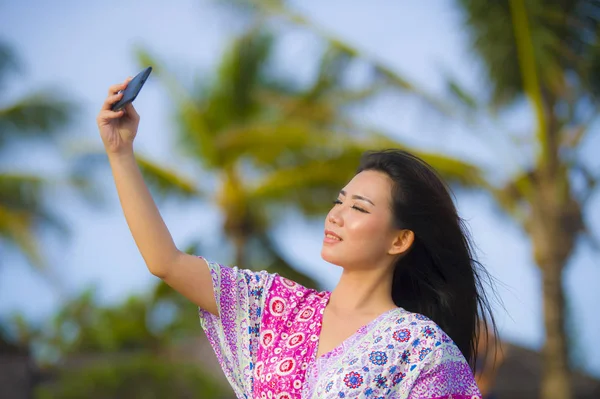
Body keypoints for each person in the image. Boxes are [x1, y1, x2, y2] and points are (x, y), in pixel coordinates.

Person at [97, 78, 498, 399]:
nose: (336, 215)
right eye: (339, 201)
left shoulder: (420, 349)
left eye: (359, 208)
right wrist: (120, 152)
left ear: (400, 240)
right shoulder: (277, 306)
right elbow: (164, 262)